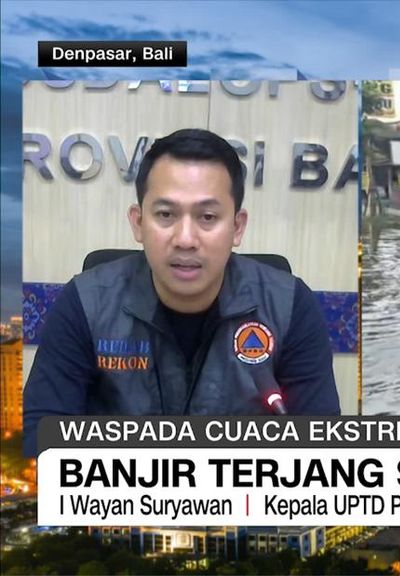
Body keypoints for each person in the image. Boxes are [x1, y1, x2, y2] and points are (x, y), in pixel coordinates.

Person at [22, 128, 339, 457]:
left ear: (238, 227)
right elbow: (40, 439)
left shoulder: (288, 306)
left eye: (207, 217)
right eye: (165, 215)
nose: (185, 238)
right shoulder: (86, 303)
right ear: (138, 223)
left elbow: (321, 450)